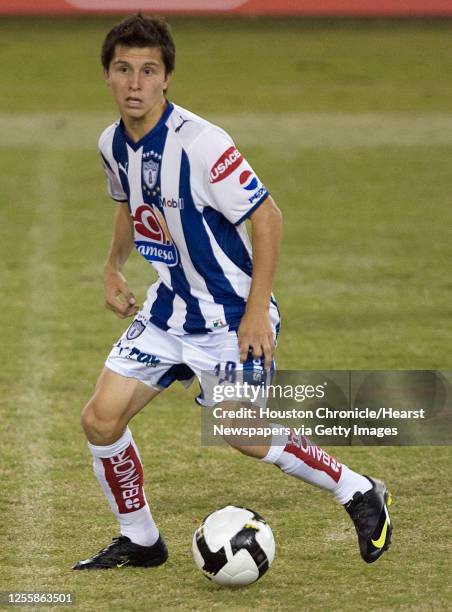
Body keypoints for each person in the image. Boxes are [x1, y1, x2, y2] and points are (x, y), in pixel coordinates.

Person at [73, 14, 392, 570]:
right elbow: (129, 206)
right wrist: (111, 268)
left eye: (148, 71)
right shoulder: (111, 144)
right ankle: (142, 540)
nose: (134, 82)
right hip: (167, 311)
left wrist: (254, 314)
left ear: (166, 78)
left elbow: (268, 216)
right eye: (123, 69)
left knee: (241, 433)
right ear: (106, 74)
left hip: (229, 316)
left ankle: (358, 490)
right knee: (100, 419)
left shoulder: (201, 143)